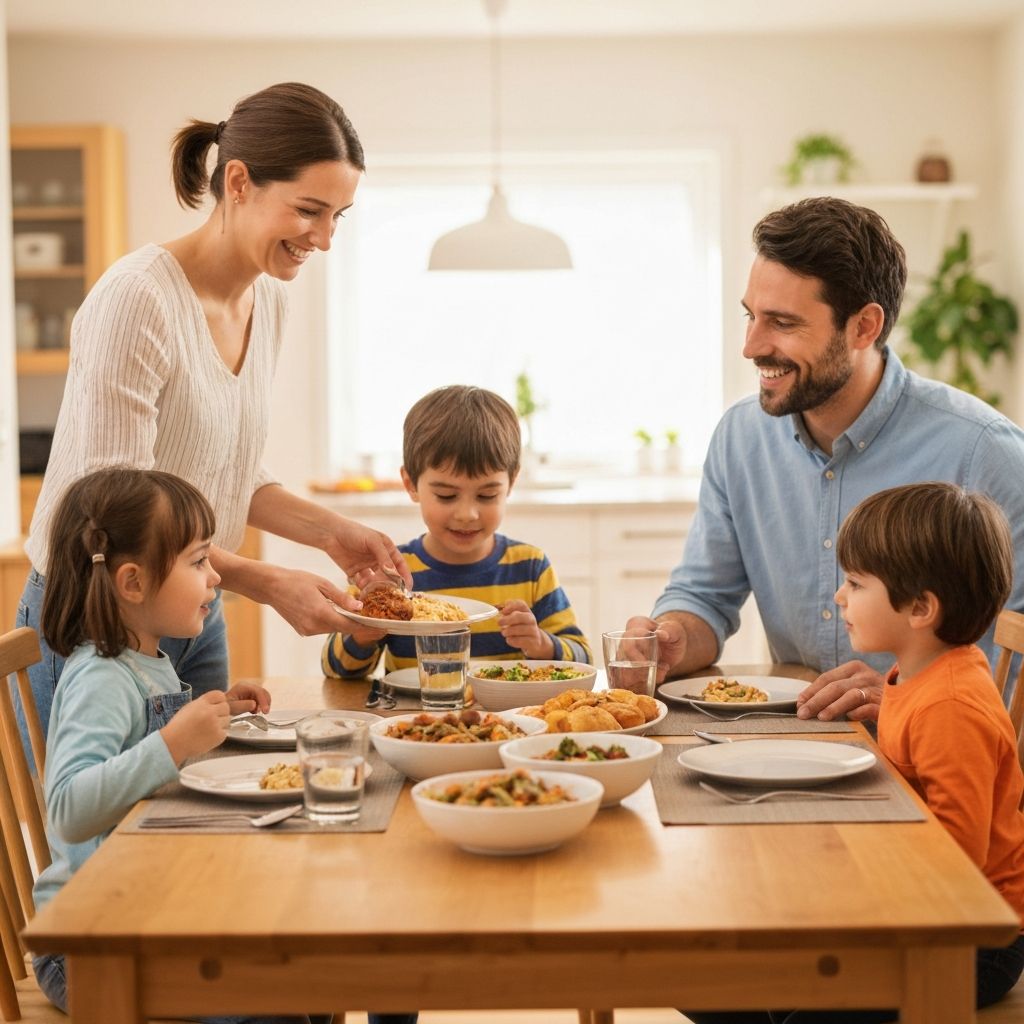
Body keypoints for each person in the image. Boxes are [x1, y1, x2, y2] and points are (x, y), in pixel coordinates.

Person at [15, 82, 411, 743]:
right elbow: (112, 518)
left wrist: (329, 532)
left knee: (206, 819)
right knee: (114, 843)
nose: (324, 238)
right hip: (99, 617)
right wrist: (264, 580)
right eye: (309, 210)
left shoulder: (269, 301)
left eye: (338, 215)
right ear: (238, 182)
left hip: (194, 608)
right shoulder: (138, 300)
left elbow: (225, 469)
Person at [626, 196, 1024, 722]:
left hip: (932, 761)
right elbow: (704, 594)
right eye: (751, 316)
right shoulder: (740, 437)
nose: (751, 346)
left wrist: (909, 702)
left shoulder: (984, 451)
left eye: (783, 323)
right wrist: (674, 633)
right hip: (796, 737)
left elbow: (1014, 657)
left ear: (864, 327)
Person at [683, 482, 1024, 1024]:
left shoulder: (952, 706)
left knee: (771, 993)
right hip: (918, 905)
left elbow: (958, 858)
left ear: (920, 608)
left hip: (973, 939)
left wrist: (843, 872)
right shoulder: (916, 676)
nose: (840, 597)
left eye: (856, 583)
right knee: (709, 979)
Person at [321, 385, 591, 678]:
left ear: (511, 483)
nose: (467, 514)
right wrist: (363, 632)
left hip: (507, 721)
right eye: (447, 496)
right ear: (411, 484)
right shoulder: (389, 574)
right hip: (407, 719)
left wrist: (541, 643)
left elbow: (582, 657)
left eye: (487, 496)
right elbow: (335, 670)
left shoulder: (530, 568)